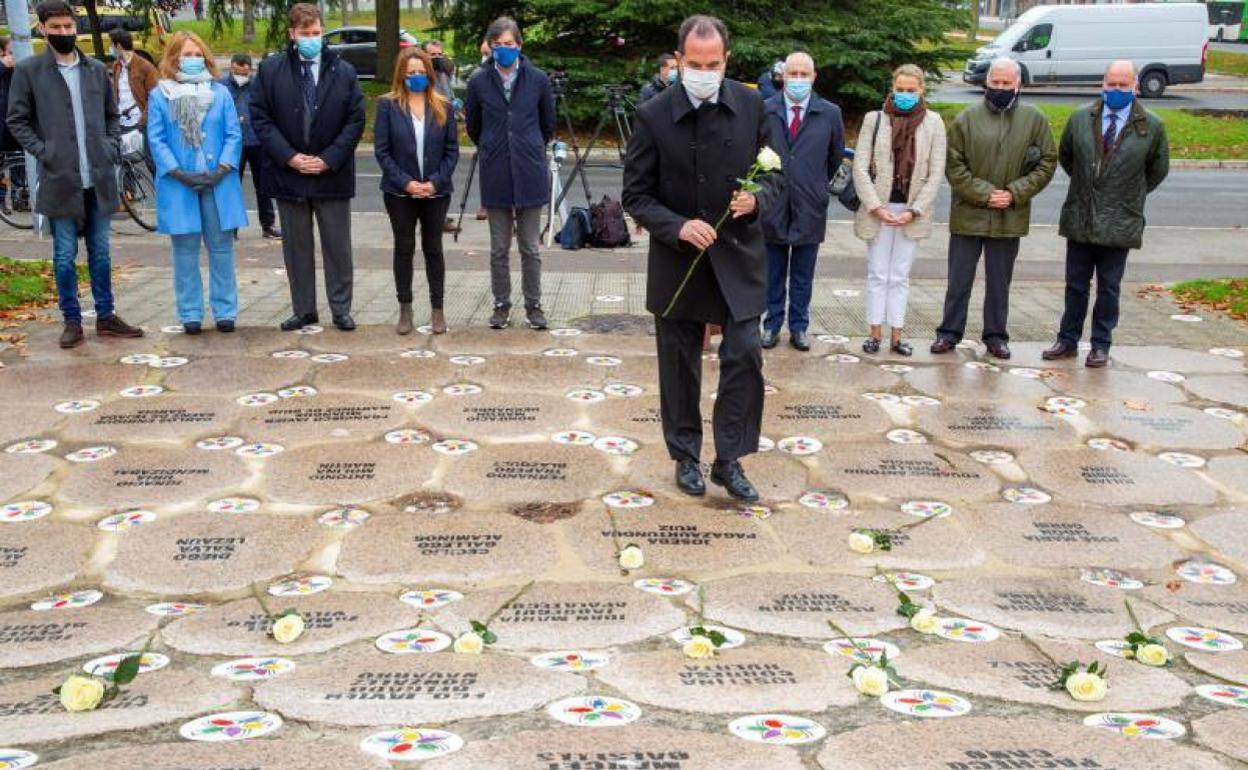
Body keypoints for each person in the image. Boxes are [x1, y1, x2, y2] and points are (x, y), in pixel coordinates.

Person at [623, 15, 782, 504]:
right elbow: (636, 194)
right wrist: (677, 226)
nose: (704, 72)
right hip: (680, 261)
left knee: (743, 356)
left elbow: (777, 178)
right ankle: (685, 456)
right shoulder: (653, 114)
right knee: (679, 363)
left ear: (726, 61)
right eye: (694, 64)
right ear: (679, 60)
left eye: (713, 64)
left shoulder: (753, 105)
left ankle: (729, 459)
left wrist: (757, 201)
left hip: (737, 257)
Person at [6, 0, 144, 348]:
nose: (65, 33)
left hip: (97, 178)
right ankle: (71, 319)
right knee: (64, 255)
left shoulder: (96, 69)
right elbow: (16, 120)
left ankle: (106, 315)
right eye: (57, 28)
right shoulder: (30, 71)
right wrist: (43, 151)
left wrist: (110, 145)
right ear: (43, 30)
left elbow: (112, 116)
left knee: (100, 252)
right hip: (59, 179)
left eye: (69, 27)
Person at [1043, 60, 1169, 368]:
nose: (1116, 90)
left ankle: (1101, 344)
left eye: (1123, 85)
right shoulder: (1080, 118)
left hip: (1120, 220)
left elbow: (1156, 170)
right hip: (1082, 216)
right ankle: (1067, 340)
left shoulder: (1150, 126)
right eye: (1111, 84)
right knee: (1075, 285)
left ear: (1135, 87)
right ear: (1103, 83)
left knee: (1109, 288)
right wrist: (1092, 188)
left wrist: (1126, 195)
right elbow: (1068, 158)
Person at [250, 2, 366, 332]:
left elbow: (356, 119)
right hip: (289, 174)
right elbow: (260, 117)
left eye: (317, 33)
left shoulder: (342, 71)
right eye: (306, 34)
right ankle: (304, 309)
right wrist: (289, 156)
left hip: (331, 174)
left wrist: (329, 158)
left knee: (337, 246)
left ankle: (341, 308)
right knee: (297, 248)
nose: (312, 39)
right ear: (292, 35)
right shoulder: (271, 70)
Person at [930, 57, 1056, 360]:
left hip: (1009, 215)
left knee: (1000, 283)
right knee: (959, 280)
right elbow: (953, 163)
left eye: (1006, 83)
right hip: (968, 214)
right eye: (995, 83)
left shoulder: (1034, 119)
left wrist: (1014, 193)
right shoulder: (967, 118)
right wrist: (985, 194)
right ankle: (949, 333)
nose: (1000, 88)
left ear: (1018, 85)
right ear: (986, 83)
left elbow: (1048, 161)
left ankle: (996, 336)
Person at [147, 32, 246, 335]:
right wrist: (178, 172)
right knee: (185, 252)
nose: (193, 59)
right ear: (174, 57)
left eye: (197, 54)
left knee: (221, 250)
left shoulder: (221, 93)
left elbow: (233, 134)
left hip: (219, 182)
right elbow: (157, 139)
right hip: (180, 185)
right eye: (186, 54)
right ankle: (190, 313)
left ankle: (225, 311)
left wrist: (223, 168)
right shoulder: (160, 95)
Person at [465, 16, 556, 331]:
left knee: (530, 247)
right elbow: (474, 126)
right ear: (490, 46)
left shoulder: (538, 79)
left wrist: (527, 146)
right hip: (496, 171)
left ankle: (534, 305)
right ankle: (501, 303)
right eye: (498, 44)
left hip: (529, 170)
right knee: (499, 248)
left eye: (510, 44)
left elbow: (548, 124)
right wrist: (493, 146)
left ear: (520, 45)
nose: (504, 50)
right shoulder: (478, 81)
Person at [853, 64, 946, 357]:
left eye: (911, 90)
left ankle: (897, 335)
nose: (905, 95)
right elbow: (859, 166)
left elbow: (936, 173)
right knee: (878, 273)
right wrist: (876, 206)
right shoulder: (875, 119)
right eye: (900, 89)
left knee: (900, 275)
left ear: (921, 90)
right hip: (878, 209)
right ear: (892, 88)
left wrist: (915, 210)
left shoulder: (933, 122)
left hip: (910, 211)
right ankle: (874, 333)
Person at [761, 51, 843, 353]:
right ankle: (771, 324)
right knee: (772, 270)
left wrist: (816, 185)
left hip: (810, 203)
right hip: (773, 202)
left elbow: (834, 157)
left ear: (813, 77)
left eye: (803, 74)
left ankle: (799, 326)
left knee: (803, 274)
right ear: (783, 76)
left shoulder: (829, 113)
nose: (797, 80)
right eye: (792, 74)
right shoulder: (766, 109)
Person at [375, 47, 459, 336]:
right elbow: (382, 152)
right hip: (400, 192)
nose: (416, 77)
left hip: (436, 191)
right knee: (404, 247)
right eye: (411, 73)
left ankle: (437, 310)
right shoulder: (388, 106)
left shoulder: (443, 106)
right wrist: (406, 183)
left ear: (429, 74)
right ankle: (405, 308)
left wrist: (434, 182)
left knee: (433, 248)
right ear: (401, 74)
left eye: (421, 73)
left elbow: (452, 152)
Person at [219, 53, 281, 239]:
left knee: (263, 185)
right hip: (232, 143)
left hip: (257, 141)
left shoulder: (257, 86)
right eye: (240, 69)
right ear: (232, 67)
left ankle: (268, 224)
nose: (243, 74)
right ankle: (231, 227)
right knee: (231, 185)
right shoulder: (222, 86)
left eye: (247, 70)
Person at [109, 29, 158, 133]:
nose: (110, 48)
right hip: (121, 121)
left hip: (139, 123)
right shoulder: (117, 65)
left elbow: (154, 97)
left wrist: (143, 121)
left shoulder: (145, 67)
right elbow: (115, 93)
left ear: (118, 46)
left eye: (111, 45)